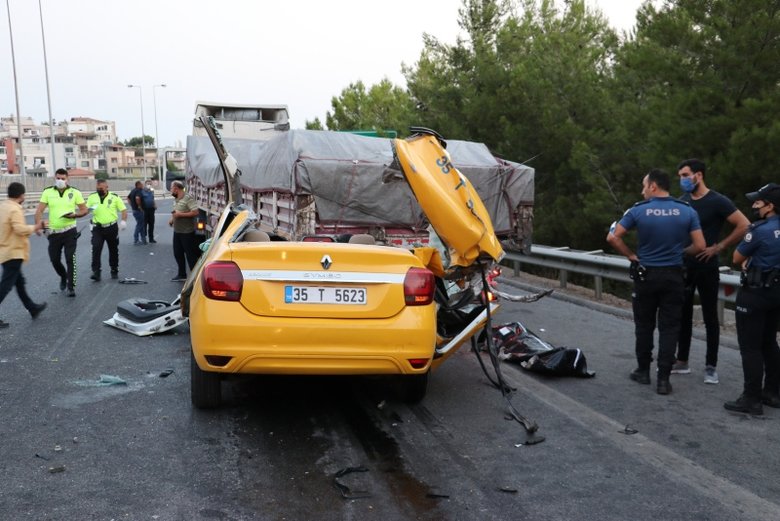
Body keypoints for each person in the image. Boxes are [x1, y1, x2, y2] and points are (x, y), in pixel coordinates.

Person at [607, 169, 705, 395]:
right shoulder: (686, 210)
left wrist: (631, 255)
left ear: (653, 186)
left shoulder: (639, 210)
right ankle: (663, 379)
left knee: (644, 325)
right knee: (670, 328)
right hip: (673, 275)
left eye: (644, 186)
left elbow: (613, 237)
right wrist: (680, 253)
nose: (642, 191)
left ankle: (643, 371)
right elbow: (700, 246)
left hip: (646, 275)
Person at [673, 159, 750, 384]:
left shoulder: (718, 201)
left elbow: (744, 224)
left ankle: (710, 366)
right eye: (680, 176)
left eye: (686, 175)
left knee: (710, 317)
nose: (682, 180)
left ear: (699, 175)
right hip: (685, 266)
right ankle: (682, 360)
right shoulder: (683, 201)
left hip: (707, 268)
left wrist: (720, 246)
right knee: (683, 315)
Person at [724, 183, 780, 415]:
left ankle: (751, 398)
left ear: (770, 206)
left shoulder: (759, 230)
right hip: (777, 293)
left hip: (755, 293)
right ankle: (773, 392)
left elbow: (737, 257)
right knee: (769, 342)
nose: (755, 205)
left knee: (750, 347)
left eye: (759, 201)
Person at [34, 168, 88, 297]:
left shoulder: (75, 192)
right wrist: (38, 225)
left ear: (67, 179)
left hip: (70, 231)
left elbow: (84, 210)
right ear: (54, 178)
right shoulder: (47, 192)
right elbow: (39, 211)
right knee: (54, 260)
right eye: (58, 178)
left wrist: (75, 215)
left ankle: (71, 286)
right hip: (53, 233)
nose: (60, 181)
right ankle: (63, 276)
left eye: (63, 179)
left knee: (70, 258)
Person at [0, 182, 47, 328]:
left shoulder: (3, 206)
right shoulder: (14, 209)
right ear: (21, 195)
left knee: (19, 282)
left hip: (5, 250)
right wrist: (36, 227)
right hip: (13, 252)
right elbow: (19, 229)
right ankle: (32, 307)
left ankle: (32, 308)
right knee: (6, 286)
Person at [86, 179, 128, 281]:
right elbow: (87, 210)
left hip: (111, 227)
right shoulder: (92, 197)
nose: (99, 190)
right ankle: (96, 272)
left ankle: (114, 269)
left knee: (113, 249)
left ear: (106, 187)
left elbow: (123, 210)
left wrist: (123, 221)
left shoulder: (114, 197)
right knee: (96, 248)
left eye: (101, 188)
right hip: (97, 228)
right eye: (97, 188)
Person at [168, 180, 201, 281]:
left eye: (171, 188)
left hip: (187, 232)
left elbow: (195, 212)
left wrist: (180, 215)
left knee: (190, 255)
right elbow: (176, 212)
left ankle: (195, 277)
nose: (170, 190)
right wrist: (172, 220)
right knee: (177, 253)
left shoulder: (188, 198)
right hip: (177, 231)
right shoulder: (176, 199)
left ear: (176, 189)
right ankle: (182, 274)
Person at [128, 180, 146, 245]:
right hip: (138, 211)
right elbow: (137, 198)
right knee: (140, 225)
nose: (142, 185)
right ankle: (136, 239)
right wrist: (139, 207)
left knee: (141, 224)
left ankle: (143, 239)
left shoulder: (133, 190)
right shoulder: (138, 191)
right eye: (141, 184)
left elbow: (128, 198)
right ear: (138, 185)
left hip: (134, 210)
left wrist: (132, 205)